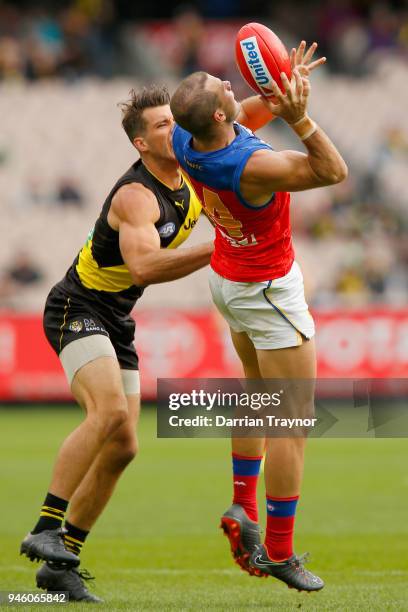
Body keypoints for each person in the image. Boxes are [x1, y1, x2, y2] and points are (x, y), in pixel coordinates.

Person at [20, 85, 212, 603]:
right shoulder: (136, 195)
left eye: (176, 120)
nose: (175, 128)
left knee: (125, 446)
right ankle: (45, 525)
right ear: (141, 145)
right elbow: (144, 267)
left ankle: (62, 566)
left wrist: (284, 100)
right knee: (106, 414)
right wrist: (219, 249)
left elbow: (234, 121)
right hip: (76, 308)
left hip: (115, 318)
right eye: (162, 126)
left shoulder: (192, 165)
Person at [170, 43, 347, 591]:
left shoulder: (186, 137)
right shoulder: (251, 166)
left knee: (255, 392)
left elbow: (246, 114)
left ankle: (242, 504)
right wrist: (299, 116)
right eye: (221, 84)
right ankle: (279, 551)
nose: (228, 82)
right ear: (219, 115)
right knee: (292, 424)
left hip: (229, 278)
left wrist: (276, 83)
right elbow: (332, 171)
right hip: (267, 289)